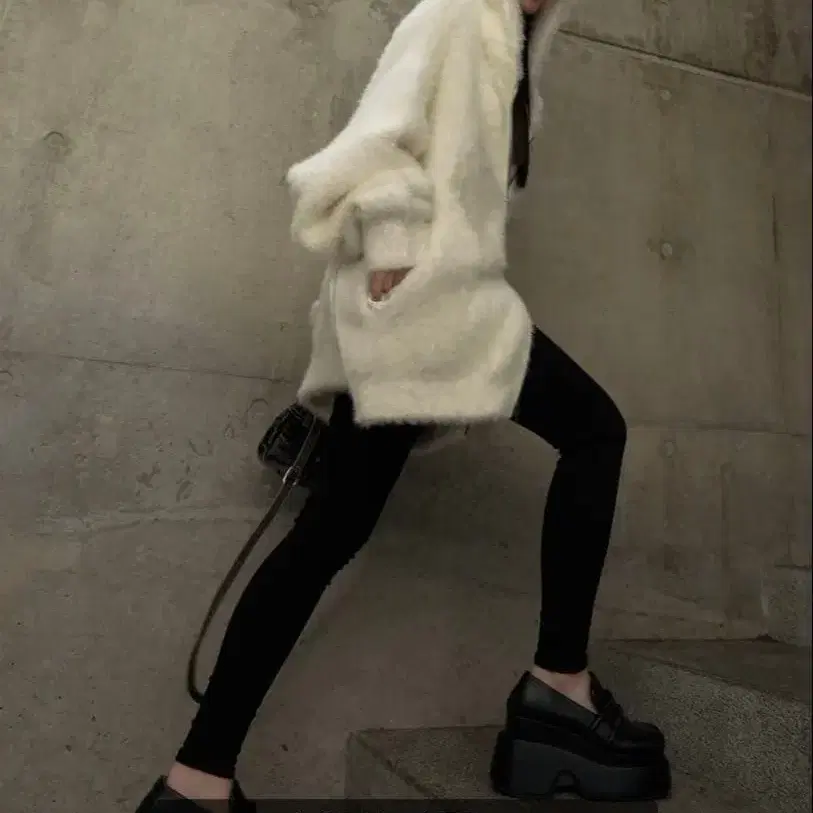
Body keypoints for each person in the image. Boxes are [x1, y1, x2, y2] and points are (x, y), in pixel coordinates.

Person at [136, 0, 671, 809]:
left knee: (331, 532)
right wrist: (391, 238)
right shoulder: (455, 14)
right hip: (423, 303)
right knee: (593, 431)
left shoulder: (514, 47)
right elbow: (372, 141)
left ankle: (197, 777)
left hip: (426, 310)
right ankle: (558, 685)